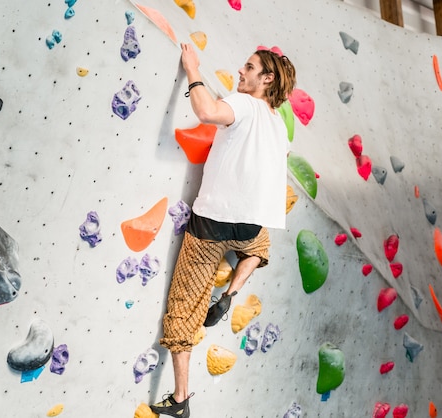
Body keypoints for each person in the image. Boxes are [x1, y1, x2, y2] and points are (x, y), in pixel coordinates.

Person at [150, 43, 297, 418]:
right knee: (260, 244)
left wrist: (192, 68)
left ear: (266, 78)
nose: (240, 70)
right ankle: (231, 292)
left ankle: (181, 398)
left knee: (184, 305)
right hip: (248, 227)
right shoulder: (279, 126)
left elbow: (206, 110)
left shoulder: (244, 104)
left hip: (212, 225)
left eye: (249, 67)